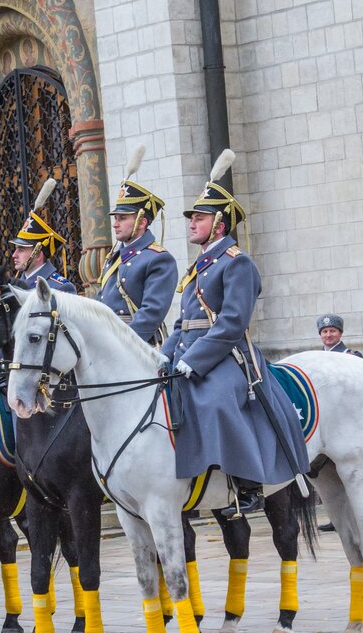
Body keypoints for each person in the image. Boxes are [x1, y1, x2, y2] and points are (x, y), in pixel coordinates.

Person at [161, 154, 310, 517]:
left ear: (219, 224)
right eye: (192, 218)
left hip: (228, 354)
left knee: (216, 399)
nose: (191, 223)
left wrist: (192, 362)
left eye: (199, 217)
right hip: (189, 350)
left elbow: (231, 324)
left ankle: (247, 484)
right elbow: (182, 322)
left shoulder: (237, 261)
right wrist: (164, 355)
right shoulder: (200, 264)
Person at [98, 169, 177, 345]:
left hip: (139, 345)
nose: (115, 224)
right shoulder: (114, 258)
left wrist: (124, 343)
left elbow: (152, 313)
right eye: (115, 218)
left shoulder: (158, 259)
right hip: (106, 341)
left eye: (122, 218)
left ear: (141, 222)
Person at [10, 199, 77, 293]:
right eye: (15, 249)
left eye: (21, 250)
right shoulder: (14, 286)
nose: (14, 255)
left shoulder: (60, 287)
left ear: (38, 255)